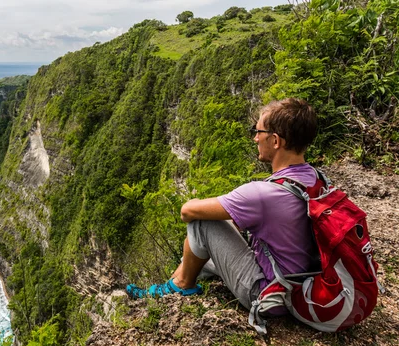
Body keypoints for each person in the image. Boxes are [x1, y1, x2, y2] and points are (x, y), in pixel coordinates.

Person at [127, 98, 320, 312]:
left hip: (272, 296)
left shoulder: (263, 194)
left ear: (275, 141)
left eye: (258, 132)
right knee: (199, 255)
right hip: (304, 285)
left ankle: (180, 286)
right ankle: (172, 287)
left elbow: (187, 211)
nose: (255, 138)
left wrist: (196, 203)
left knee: (202, 224)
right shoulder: (315, 178)